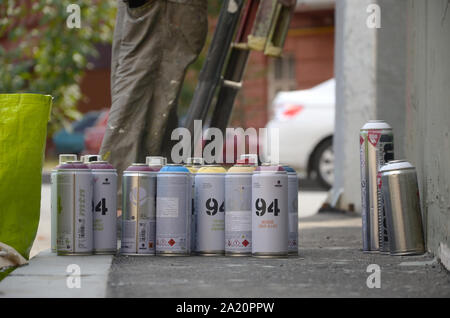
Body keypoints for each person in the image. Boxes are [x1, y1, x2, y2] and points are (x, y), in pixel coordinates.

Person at [100, 0, 208, 181]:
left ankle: (120, 203)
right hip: (153, 11)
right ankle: (133, 201)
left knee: (137, 111)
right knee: (147, 113)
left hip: (161, 10)